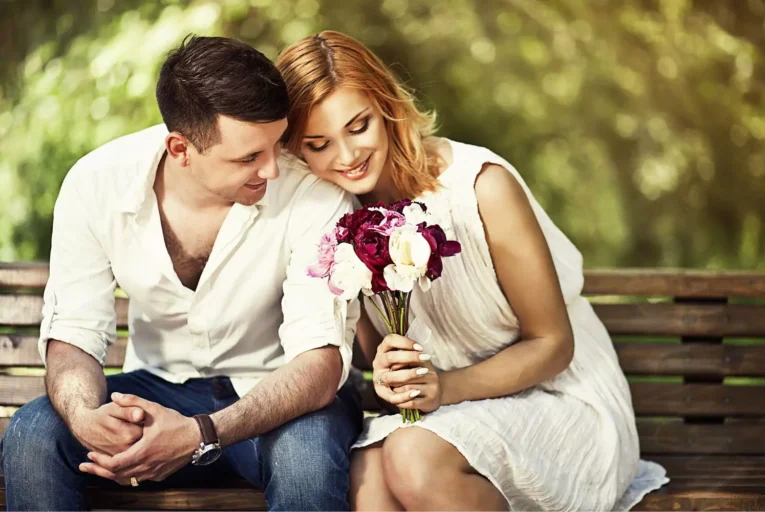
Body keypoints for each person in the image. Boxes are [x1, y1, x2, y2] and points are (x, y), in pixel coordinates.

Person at [276, 30, 669, 511]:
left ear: (386, 106)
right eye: (318, 145)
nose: (346, 156)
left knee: (412, 455)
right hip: (448, 414)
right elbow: (375, 355)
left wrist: (445, 388)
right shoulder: (335, 220)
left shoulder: (481, 186)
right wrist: (384, 371)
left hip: (561, 399)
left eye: (358, 127)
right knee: (368, 473)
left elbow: (553, 344)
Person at [0, 35, 363, 511]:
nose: (274, 169)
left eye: (276, 143)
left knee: (306, 462)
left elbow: (320, 364)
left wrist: (200, 433)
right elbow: (74, 331)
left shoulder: (314, 195)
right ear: (181, 148)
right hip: (154, 387)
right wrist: (86, 416)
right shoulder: (96, 184)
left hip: (277, 400)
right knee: (32, 436)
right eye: (249, 157)